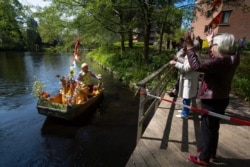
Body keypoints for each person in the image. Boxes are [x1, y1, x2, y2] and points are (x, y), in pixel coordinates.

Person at [184, 30, 240, 165]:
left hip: (212, 99)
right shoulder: (233, 58)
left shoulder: (222, 61)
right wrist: (210, 42)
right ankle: (210, 153)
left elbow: (196, 66)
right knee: (213, 128)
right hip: (222, 98)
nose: (213, 47)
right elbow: (215, 59)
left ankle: (203, 158)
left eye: (215, 45)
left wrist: (190, 47)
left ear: (221, 47)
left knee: (207, 128)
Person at [169, 38, 201, 118]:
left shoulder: (194, 56)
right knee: (186, 97)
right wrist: (178, 59)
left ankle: (185, 114)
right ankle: (185, 110)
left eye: (188, 45)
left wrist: (175, 63)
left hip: (189, 80)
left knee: (187, 97)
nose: (186, 46)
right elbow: (186, 62)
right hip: (188, 79)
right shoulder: (193, 55)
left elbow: (186, 68)